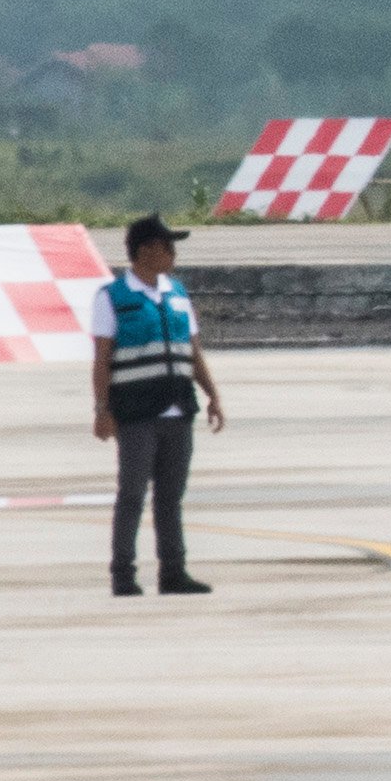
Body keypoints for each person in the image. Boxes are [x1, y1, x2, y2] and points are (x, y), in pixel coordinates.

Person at [90, 213, 223, 597]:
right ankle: (123, 574)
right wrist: (102, 410)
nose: (174, 255)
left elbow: (193, 351)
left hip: (179, 408)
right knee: (132, 494)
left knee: (170, 497)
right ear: (147, 250)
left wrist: (213, 394)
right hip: (135, 412)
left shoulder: (177, 293)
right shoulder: (112, 298)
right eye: (169, 247)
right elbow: (102, 360)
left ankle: (173, 572)